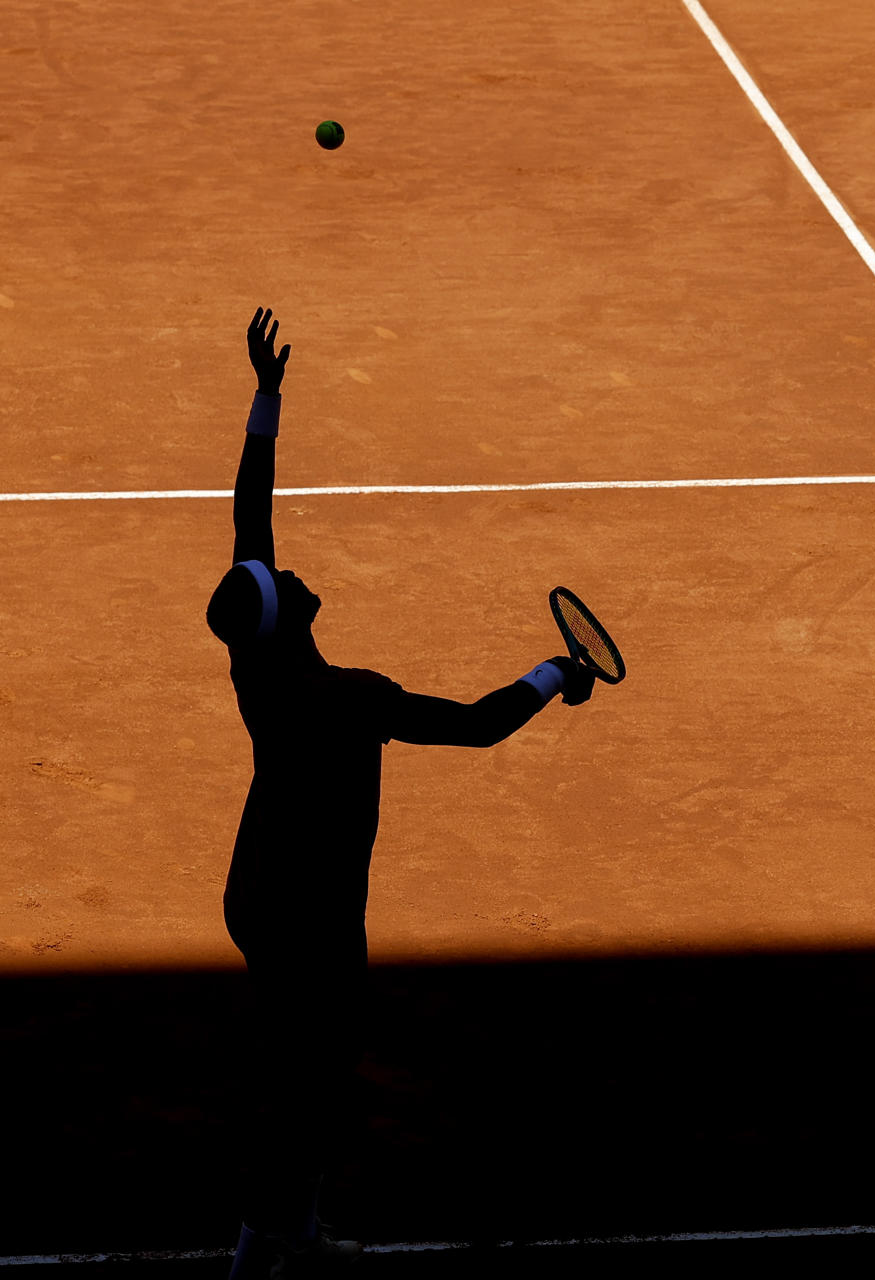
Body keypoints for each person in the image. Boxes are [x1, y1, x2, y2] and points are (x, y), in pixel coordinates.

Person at [209, 307, 593, 1277]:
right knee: (311, 1085)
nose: (291, 566)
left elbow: (252, 515)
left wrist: (266, 398)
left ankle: (286, 1227)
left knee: (299, 1072)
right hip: (314, 917)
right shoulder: (349, 698)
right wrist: (555, 673)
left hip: (258, 892)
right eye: (285, 577)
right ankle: (265, 1246)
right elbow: (475, 723)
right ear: (285, 614)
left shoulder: (259, 664)